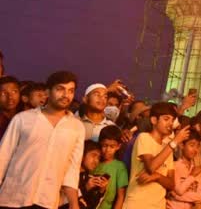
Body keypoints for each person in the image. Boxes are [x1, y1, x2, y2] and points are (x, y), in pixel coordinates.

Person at [0, 70, 84, 208]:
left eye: (71, 91)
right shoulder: (23, 119)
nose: (66, 95)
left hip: (47, 200)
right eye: (60, 89)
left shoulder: (76, 127)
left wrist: (74, 204)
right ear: (47, 92)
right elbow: (3, 157)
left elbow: (72, 170)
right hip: (13, 198)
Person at [123, 102, 189, 209]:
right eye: (166, 119)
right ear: (154, 120)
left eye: (172, 120)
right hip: (137, 203)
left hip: (158, 205)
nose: (170, 124)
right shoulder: (144, 137)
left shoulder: (167, 148)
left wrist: (157, 177)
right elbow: (151, 167)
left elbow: (171, 184)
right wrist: (175, 142)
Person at [167, 128, 201, 209]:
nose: (195, 150)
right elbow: (179, 190)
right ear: (182, 145)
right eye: (192, 145)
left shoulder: (195, 169)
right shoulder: (174, 166)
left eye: (197, 146)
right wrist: (192, 176)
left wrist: (176, 197)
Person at [94, 125, 130, 209]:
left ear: (118, 146)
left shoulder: (120, 167)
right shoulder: (95, 163)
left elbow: (121, 196)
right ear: (100, 143)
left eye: (112, 146)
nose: (107, 150)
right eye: (104, 146)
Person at [72, 140, 108, 209]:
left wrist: (101, 191)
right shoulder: (70, 175)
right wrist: (86, 188)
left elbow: (91, 207)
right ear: (82, 154)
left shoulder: (89, 179)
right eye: (93, 155)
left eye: (98, 158)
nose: (96, 161)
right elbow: (64, 200)